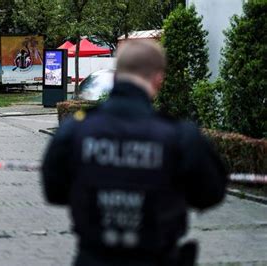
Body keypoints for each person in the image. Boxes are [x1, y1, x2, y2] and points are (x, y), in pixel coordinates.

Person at [41, 40, 227, 266]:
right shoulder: (179, 136)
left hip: (94, 257)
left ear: (116, 74)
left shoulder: (75, 130)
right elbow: (211, 193)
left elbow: (54, 190)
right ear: (158, 79)